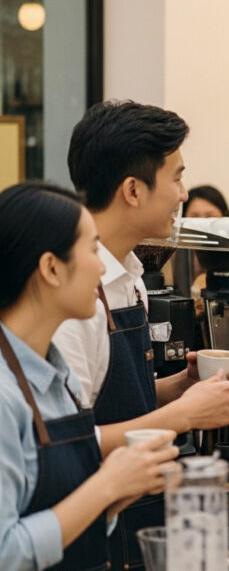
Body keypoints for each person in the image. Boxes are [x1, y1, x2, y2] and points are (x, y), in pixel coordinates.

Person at [52, 100, 229, 571]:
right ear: (132, 189)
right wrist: (184, 415)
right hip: (93, 526)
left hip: (142, 507)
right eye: (176, 177)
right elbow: (68, 442)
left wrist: (177, 390)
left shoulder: (130, 275)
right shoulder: (73, 299)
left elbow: (115, 400)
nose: (183, 193)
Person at [0, 184, 179, 571]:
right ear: (51, 268)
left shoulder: (56, 373)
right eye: (92, 250)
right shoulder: (3, 393)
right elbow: (6, 551)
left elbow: (58, 506)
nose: (101, 267)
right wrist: (106, 486)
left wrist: (120, 493)